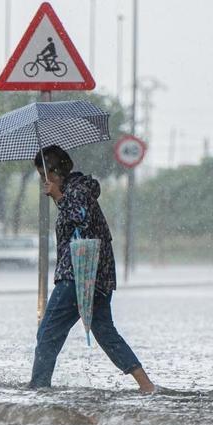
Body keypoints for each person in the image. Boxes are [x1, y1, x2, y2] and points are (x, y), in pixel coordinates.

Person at [29, 145, 155, 393]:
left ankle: (38, 388)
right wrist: (59, 197)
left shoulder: (75, 192)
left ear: (53, 172)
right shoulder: (80, 189)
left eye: (43, 175)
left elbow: (80, 219)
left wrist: (58, 197)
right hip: (99, 275)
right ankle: (147, 386)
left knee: (48, 333)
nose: (42, 180)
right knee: (105, 332)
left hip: (78, 274)